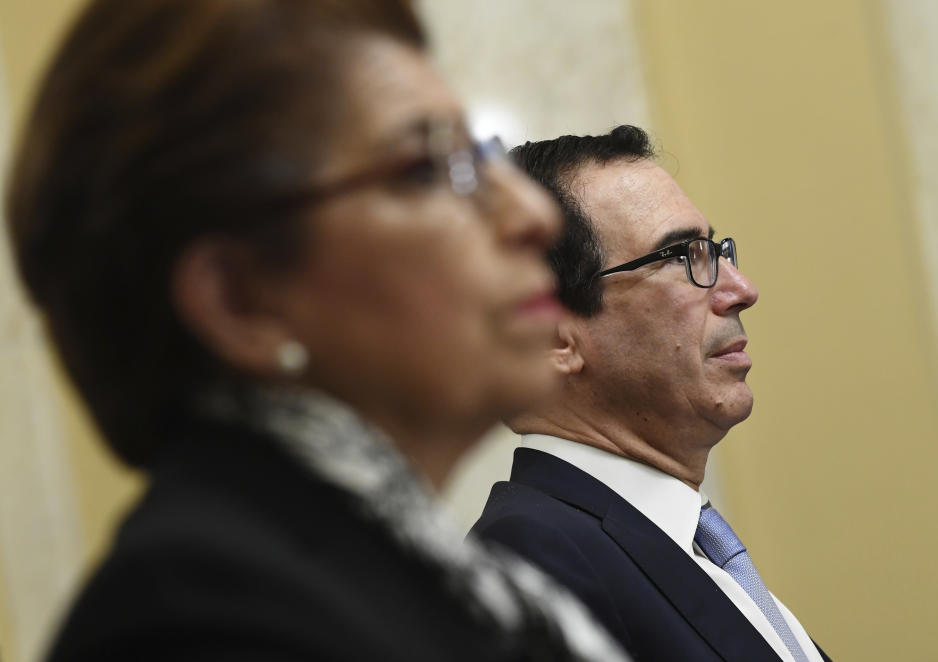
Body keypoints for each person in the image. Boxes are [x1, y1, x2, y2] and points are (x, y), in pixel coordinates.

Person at [5, 2, 631, 660]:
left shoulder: (425, 579)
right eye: (425, 168)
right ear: (238, 299)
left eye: (478, 157)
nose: (534, 215)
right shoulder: (202, 620)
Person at [470, 126, 831, 662]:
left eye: (716, 250)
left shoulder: (688, 546)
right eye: (683, 255)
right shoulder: (532, 560)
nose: (741, 289)